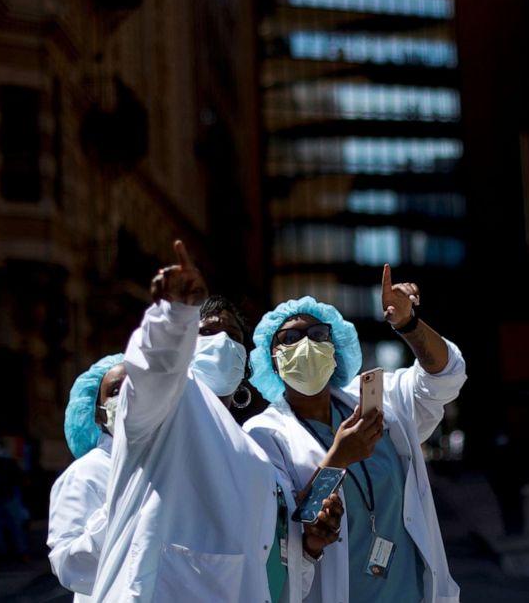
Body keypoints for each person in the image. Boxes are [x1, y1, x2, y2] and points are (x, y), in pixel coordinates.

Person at [92, 241, 341, 602]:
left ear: (246, 363)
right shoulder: (169, 407)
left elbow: (268, 561)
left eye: (234, 335)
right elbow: (151, 372)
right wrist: (173, 316)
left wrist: (311, 548)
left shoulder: (255, 460)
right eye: (207, 332)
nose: (222, 341)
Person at [244, 264, 467, 603]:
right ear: (272, 359)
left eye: (318, 334)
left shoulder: (378, 402)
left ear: (335, 349)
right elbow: (283, 535)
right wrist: (339, 458)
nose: (306, 344)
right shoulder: (264, 434)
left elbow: (445, 377)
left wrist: (408, 325)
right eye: (290, 338)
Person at [47, 352, 125, 601]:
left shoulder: (173, 461)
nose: (128, 396)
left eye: (138, 386)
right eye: (115, 390)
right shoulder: (86, 473)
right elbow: (70, 567)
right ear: (99, 414)